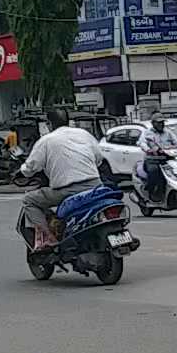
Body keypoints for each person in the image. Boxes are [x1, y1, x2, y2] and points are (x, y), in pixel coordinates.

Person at [16, 107, 105, 250]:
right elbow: (99, 158)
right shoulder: (84, 134)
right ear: (68, 121)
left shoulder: (46, 140)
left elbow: (31, 167)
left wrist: (21, 172)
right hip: (96, 186)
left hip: (68, 190)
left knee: (29, 200)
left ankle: (47, 238)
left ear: (49, 124)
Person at [136, 116, 177, 201]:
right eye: (159, 122)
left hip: (167, 159)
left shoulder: (168, 132)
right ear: (153, 123)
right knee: (154, 171)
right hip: (152, 160)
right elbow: (141, 143)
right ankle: (151, 191)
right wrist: (148, 149)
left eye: (162, 122)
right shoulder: (147, 133)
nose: (161, 124)